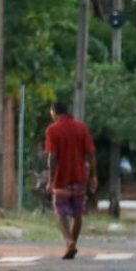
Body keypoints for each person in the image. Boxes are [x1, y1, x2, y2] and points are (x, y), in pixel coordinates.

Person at [43, 100, 97, 260]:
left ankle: (69, 240)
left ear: (54, 112)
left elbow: (52, 157)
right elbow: (91, 153)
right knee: (78, 214)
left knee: (60, 212)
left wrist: (50, 179)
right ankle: (73, 242)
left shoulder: (52, 130)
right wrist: (93, 175)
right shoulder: (81, 127)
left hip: (61, 180)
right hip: (80, 178)